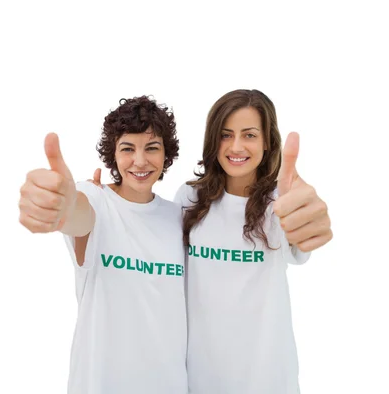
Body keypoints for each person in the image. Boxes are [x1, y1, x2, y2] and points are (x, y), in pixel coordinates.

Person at [18, 96, 188, 394]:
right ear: (113, 154)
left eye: (152, 147)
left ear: (166, 154)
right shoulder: (95, 198)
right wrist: (63, 205)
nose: (140, 160)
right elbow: (77, 214)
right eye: (127, 148)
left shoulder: (179, 219)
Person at [174, 89, 333, 394]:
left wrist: (310, 218)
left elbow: (304, 235)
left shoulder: (281, 203)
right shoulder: (189, 198)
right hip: (201, 376)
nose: (236, 146)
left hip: (268, 377)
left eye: (249, 135)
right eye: (225, 135)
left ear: (267, 142)